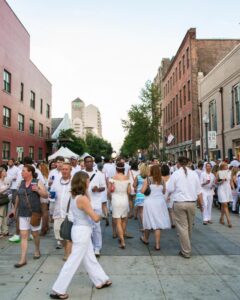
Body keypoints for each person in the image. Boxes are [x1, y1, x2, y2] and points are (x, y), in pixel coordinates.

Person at [50, 171, 111, 299]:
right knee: (73, 261)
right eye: (88, 180)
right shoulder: (82, 199)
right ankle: (59, 289)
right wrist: (103, 214)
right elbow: (94, 218)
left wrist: (87, 190)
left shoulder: (75, 196)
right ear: (83, 182)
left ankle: (101, 280)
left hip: (80, 230)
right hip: (82, 231)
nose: (89, 182)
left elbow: (88, 201)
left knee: (89, 258)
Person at [11, 165, 48, 268]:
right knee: (24, 236)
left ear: (30, 172)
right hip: (22, 213)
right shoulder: (21, 183)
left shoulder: (37, 182)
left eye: (23, 171)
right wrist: (14, 209)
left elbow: (45, 195)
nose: (21, 173)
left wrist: (38, 190)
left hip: (34, 213)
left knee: (35, 234)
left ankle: (37, 250)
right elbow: (18, 195)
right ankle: (23, 259)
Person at [167, 157, 203, 259]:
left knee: (182, 228)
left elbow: (170, 188)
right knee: (189, 226)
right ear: (188, 163)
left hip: (179, 203)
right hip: (191, 203)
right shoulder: (194, 174)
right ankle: (186, 246)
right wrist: (202, 205)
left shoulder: (176, 174)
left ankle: (186, 251)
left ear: (178, 163)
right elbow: (199, 191)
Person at [140, 165, 171, 250]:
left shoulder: (148, 179)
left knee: (148, 221)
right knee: (158, 224)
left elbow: (142, 191)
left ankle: (145, 239)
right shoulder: (162, 180)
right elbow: (164, 191)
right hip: (160, 203)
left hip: (150, 202)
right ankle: (157, 245)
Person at [84, 156, 106, 257]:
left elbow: (103, 187)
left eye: (90, 161)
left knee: (96, 227)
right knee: (87, 227)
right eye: (87, 162)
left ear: (93, 163)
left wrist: (97, 189)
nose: (89, 163)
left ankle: (97, 247)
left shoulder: (99, 174)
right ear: (84, 163)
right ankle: (89, 247)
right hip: (85, 204)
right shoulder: (81, 174)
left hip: (96, 203)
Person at [50, 163, 73, 260]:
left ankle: (68, 254)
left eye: (66, 169)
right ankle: (67, 250)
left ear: (70, 170)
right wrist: (51, 197)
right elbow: (51, 195)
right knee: (59, 235)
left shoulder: (74, 182)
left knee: (67, 236)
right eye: (63, 169)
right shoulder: (56, 181)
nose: (64, 171)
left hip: (69, 213)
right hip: (57, 212)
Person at [108, 162, 131, 249]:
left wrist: (111, 199)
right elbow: (129, 191)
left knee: (117, 221)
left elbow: (109, 191)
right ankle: (122, 236)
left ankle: (122, 241)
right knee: (124, 220)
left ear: (116, 169)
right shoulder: (127, 178)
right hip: (124, 199)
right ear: (123, 169)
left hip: (115, 199)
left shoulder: (112, 178)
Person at [216, 162, 232, 227]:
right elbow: (216, 182)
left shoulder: (229, 172)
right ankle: (229, 221)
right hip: (221, 188)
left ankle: (221, 218)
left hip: (227, 189)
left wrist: (233, 188)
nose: (227, 166)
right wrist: (221, 181)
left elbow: (230, 182)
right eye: (225, 166)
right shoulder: (218, 172)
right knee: (225, 204)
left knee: (223, 204)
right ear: (222, 166)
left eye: (227, 165)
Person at [161, 164, 175, 228]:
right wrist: (169, 196)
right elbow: (173, 187)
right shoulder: (171, 177)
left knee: (161, 210)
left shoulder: (160, 178)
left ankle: (162, 223)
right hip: (170, 195)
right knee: (171, 210)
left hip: (162, 194)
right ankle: (173, 223)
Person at [38, 162, 50, 235]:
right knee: (45, 212)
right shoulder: (47, 176)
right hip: (45, 194)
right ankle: (46, 226)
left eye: (39, 167)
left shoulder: (41, 177)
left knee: (43, 212)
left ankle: (43, 229)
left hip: (42, 194)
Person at [0, 167, 11, 237]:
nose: (6, 172)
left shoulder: (5, 180)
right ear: (1, 173)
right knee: (0, 216)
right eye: (4, 171)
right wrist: (7, 187)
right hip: (1, 200)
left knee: (5, 216)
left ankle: (5, 231)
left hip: (5, 200)